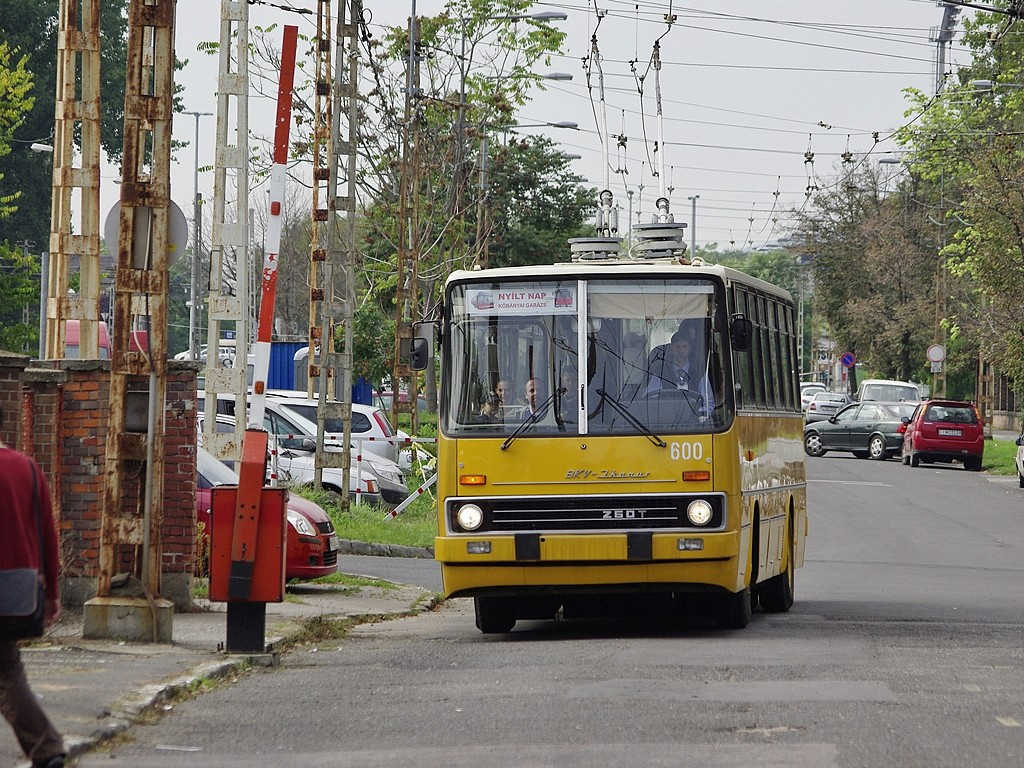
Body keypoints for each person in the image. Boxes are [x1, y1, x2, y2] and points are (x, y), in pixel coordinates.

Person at [0, 410, 66, 768]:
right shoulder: (26, 469)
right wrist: (52, 593)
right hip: (15, 592)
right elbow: (48, 536)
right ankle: (46, 748)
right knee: (8, 673)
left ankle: (47, 746)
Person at [646, 330, 716, 411]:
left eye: (684, 346)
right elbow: (650, 399)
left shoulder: (699, 372)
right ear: (671, 348)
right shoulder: (661, 371)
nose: (680, 351)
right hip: (666, 418)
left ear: (690, 348)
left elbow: (708, 403)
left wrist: (696, 414)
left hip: (694, 421)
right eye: (677, 346)